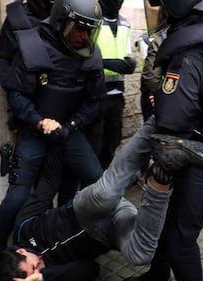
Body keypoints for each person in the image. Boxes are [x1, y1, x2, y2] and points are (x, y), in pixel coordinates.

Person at [120, 0, 203, 281]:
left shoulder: (194, 45)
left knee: (180, 236)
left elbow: (174, 117)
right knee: (167, 222)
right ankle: (158, 279)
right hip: (199, 145)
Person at [0, 125, 203, 281]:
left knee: (105, 193)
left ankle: (153, 127)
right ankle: (163, 174)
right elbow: (90, 271)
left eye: (36, 265)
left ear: (21, 251)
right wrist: (43, 279)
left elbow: (47, 186)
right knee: (140, 255)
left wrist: (57, 138)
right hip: (109, 232)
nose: (41, 266)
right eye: (37, 272)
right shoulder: (45, 277)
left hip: (83, 211)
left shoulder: (24, 227)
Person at [0, 0, 105, 252]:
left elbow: (94, 102)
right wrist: (38, 121)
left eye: (90, 30)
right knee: (18, 195)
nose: (84, 36)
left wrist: (71, 125)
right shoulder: (32, 46)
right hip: (36, 131)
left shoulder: (91, 53)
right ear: (61, 23)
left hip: (69, 132)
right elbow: (17, 95)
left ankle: (75, 234)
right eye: (79, 29)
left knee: (98, 182)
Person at [85, 0, 137, 170]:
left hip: (117, 96)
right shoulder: (91, 21)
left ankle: (105, 187)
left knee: (111, 143)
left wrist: (130, 64)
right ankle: (90, 187)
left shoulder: (125, 25)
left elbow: (126, 54)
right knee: (94, 144)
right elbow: (81, 55)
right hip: (96, 94)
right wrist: (106, 63)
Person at [138, 6, 169, 189]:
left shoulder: (172, 36)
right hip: (154, 97)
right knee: (151, 136)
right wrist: (158, 95)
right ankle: (144, 175)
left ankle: (153, 176)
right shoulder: (159, 38)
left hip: (161, 97)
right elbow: (150, 75)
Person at [0, 0, 53, 89]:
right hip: (26, 90)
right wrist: (12, 88)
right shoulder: (18, 16)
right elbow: (2, 58)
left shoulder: (66, 16)